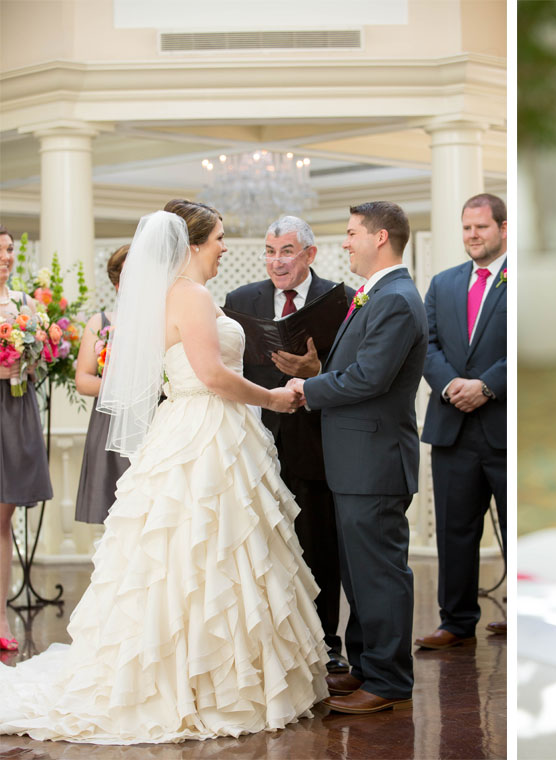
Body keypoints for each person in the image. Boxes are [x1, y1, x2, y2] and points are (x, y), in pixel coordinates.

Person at [0, 205, 328, 744]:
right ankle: (207, 681)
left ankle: (205, 671)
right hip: (204, 429)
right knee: (208, 546)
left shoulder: (174, 295)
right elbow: (213, 375)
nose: (226, 247)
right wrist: (274, 397)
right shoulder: (190, 296)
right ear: (195, 241)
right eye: (221, 238)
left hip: (201, 426)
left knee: (204, 549)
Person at [287, 201, 427, 715]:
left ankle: (389, 680)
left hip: (374, 460)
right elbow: (359, 366)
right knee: (360, 572)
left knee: (381, 573)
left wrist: (308, 387)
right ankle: (367, 666)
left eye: (350, 234)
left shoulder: (394, 298)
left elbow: (370, 377)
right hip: (356, 459)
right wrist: (319, 371)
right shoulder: (378, 294)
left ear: (380, 237)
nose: (345, 242)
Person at [224, 216, 350, 675]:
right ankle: (271, 648)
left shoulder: (341, 299)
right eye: (270, 251)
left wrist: (317, 371)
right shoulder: (241, 300)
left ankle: (326, 643)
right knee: (261, 547)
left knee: (318, 546)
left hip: (315, 439)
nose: (277, 261)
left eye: (287, 251)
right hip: (256, 438)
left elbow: (352, 373)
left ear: (310, 255)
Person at [415, 193, 508, 650]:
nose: (473, 235)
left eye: (482, 227)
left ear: (503, 229)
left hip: (504, 424)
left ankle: (519, 614)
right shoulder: (443, 283)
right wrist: (452, 384)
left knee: (514, 523)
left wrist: (486, 386)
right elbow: (427, 345)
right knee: (454, 529)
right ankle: (455, 621)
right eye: (467, 228)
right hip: (452, 425)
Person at [0, 225, 54, 653]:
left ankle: (0, 615)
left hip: (15, 409)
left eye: (9, 250)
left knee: (3, 519)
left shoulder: (25, 305)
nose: (5, 257)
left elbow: (41, 362)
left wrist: (28, 362)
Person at [73, 244, 131, 525]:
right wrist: (124, 386)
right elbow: (83, 380)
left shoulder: (165, 320)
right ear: (118, 284)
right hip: (110, 423)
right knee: (115, 518)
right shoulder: (102, 322)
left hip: (156, 422)